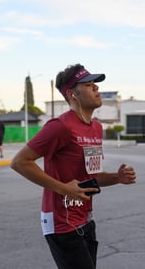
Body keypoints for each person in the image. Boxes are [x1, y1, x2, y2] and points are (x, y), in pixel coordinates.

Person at [11, 63, 137, 269]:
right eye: (88, 85)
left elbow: (90, 177)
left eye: (94, 84)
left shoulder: (96, 127)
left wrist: (117, 177)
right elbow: (19, 162)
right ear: (72, 94)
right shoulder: (59, 127)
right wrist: (62, 188)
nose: (96, 88)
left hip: (86, 218)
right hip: (61, 222)